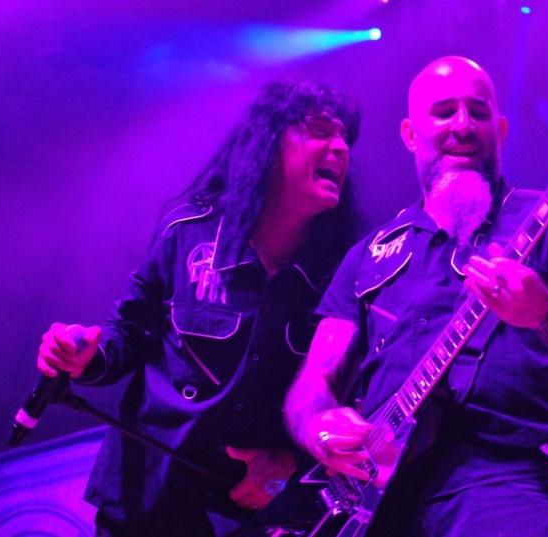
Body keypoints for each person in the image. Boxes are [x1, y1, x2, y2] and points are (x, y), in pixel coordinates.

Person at [284, 56, 548, 536]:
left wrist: (545, 313)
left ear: (500, 130)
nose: (463, 126)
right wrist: (318, 426)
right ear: (410, 134)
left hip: (502, 482)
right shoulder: (368, 255)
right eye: (444, 112)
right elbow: (312, 384)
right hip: (377, 497)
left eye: (478, 113)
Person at [35, 80, 360, 537]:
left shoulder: (342, 272)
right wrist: (84, 355)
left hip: (250, 518)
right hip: (147, 501)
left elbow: (345, 397)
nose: (340, 148)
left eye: (346, 138)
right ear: (272, 141)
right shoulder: (189, 233)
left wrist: (289, 460)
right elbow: (128, 334)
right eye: (321, 131)